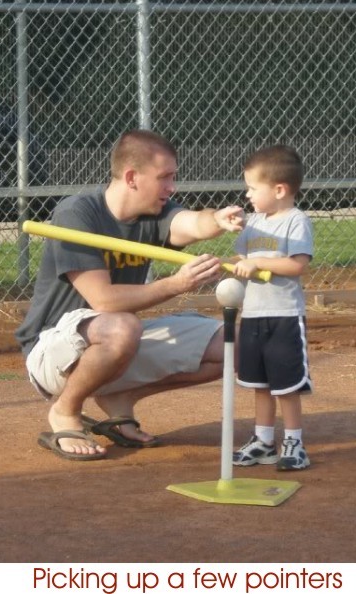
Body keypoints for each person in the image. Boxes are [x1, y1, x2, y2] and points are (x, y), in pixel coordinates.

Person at [15, 129, 245, 461]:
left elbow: (192, 223)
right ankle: (65, 410)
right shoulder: (77, 214)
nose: (171, 187)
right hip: (52, 351)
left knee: (236, 345)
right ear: (132, 177)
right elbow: (103, 301)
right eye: (164, 177)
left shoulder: (156, 213)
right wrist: (176, 284)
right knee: (122, 326)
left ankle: (122, 397)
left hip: (115, 344)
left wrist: (218, 219)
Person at [230, 145, 313, 470]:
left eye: (252, 188)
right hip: (252, 316)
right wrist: (227, 264)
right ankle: (264, 441)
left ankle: (294, 442)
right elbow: (242, 260)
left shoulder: (296, 221)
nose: (247, 194)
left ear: (279, 190)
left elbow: (297, 266)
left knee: (285, 386)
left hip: (284, 318)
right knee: (260, 383)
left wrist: (259, 262)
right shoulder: (253, 223)